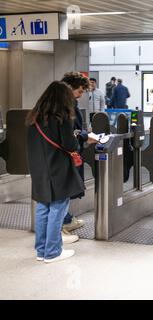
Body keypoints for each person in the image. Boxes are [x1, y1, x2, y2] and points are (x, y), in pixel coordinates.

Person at [26, 81, 86, 263]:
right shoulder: (62, 116)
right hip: (58, 167)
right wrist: (78, 136)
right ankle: (52, 251)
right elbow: (69, 145)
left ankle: (41, 250)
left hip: (39, 168)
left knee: (43, 207)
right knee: (58, 208)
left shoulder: (33, 118)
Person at [60, 72, 91, 244]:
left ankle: (66, 219)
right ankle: (59, 229)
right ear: (69, 88)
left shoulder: (69, 104)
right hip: (65, 155)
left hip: (68, 152)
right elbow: (71, 132)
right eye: (79, 91)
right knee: (62, 193)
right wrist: (85, 136)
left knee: (65, 192)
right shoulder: (64, 107)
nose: (81, 94)